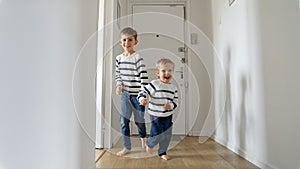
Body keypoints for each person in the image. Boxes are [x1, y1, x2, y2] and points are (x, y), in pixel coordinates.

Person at [115, 27, 148, 157]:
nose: (127, 43)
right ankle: (126, 147)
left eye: (130, 40)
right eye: (124, 40)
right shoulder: (118, 58)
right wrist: (119, 85)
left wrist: (143, 95)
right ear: (120, 42)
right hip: (125, 94)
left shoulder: (137, 58)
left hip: (137, 95)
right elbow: (118, 74)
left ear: (135, 42)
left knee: (139, 120)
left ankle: (143, 138)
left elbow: (143, 78)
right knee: (124, 120)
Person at [137, 58, 179, 160]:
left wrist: (171, 105)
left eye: (170, 70)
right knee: (157, 133)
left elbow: (176, 102)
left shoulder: (173, 88)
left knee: (167, 135)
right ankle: (150, 143)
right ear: (158, 73)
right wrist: (142, 99)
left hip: (168, 116)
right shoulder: (155, 84)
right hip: (156, 115)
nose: (167, 73)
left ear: (173, 72)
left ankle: (162, 152)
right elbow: (143, 91)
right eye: (163, 71)